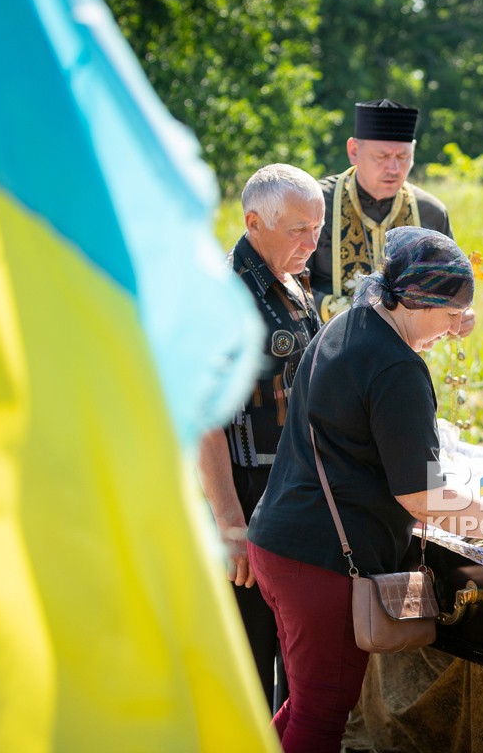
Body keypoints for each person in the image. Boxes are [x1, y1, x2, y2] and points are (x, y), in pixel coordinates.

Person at [247, 227, 483, 753]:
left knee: (306, 704)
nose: (457, 329)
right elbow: (422, 498)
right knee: (321, 718)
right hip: (319, 561)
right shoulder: (396, 366)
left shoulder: (349, 323)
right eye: (452, 314)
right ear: (415, 300)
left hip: (279, 543)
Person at [196, 164, 324, 712]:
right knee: (251, 656)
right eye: (298, 229)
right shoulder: (223, 295)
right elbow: (205, 420)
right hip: (249, 491)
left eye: (317, 227)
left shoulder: (290, 278)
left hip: (293, 490)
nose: (311, 242)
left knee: (299, 660)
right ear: (253, 222)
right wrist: (229, 522)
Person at [309, 99, 473, 337]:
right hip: (328, 347)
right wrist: (365, 315)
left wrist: (460, 314)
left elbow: (449, 290)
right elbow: (290, 287)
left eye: (403, 157)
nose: (394, 168)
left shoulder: (430, 212)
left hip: (405, 358)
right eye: (382, 156)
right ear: (354, 151)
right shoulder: (316, 204)